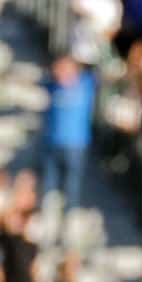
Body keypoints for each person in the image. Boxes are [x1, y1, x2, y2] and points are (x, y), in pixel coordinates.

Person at [41, 55, 95, 211]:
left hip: (77, 143)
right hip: (52, 141)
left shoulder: (86, 83)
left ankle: (70, 212)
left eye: (66, 68)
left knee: (72, 181)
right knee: (50, 181)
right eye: (58, 68)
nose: (62, 73)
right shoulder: (51, 85)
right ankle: (49, 213)